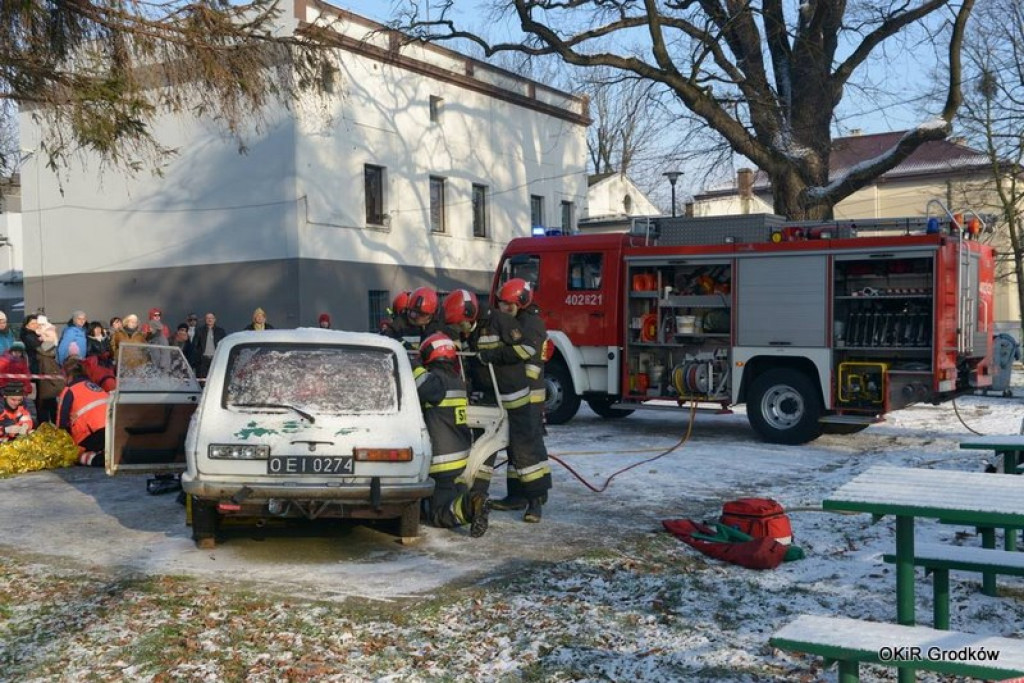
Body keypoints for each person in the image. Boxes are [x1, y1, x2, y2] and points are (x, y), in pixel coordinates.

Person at [477, 278, 552, 523]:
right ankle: (516, 496)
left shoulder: (531, 323)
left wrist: (492, 356)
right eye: (501, 303)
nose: (503, 308)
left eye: (509, 305)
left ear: (522, 302)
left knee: (526, 450)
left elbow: (524, 353)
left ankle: (535, 501)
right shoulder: (513, 320)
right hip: (513, 393)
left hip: (529, 397)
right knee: (512, 448)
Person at [414, 332, 489, 537]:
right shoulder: (457, 380)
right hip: (458, 457)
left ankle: (472, 506)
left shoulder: (437, 380)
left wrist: (411, 363)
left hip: (442, 461)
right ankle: (467, 499)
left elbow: (421, 386)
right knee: (448, 496)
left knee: (437, 514)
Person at [57, 358, 109, 467]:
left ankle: (95, 459)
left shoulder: (69, 390)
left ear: (68, 375)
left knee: (74, 455)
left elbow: (61, 423)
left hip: (90, 434)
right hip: (111, 431)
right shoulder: (96, 386)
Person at [34, 320, 65, 424]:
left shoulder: (46, 355)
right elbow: (49, 372)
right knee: (50, 409)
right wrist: (62, 383)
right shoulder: (47, 357)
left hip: (48, 387)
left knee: (48, 408)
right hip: (50, 387)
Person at [193, 312, 226, 379]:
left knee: (215, 378)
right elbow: (195, 345)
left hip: (216, 359)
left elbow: (224, 345)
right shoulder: (199, 331)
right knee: (202, 380)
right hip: (203, 360)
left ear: (215, 319)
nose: (210, 320)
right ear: (205, 320)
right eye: (208, 318)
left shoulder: (220, 331)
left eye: (211, 318)